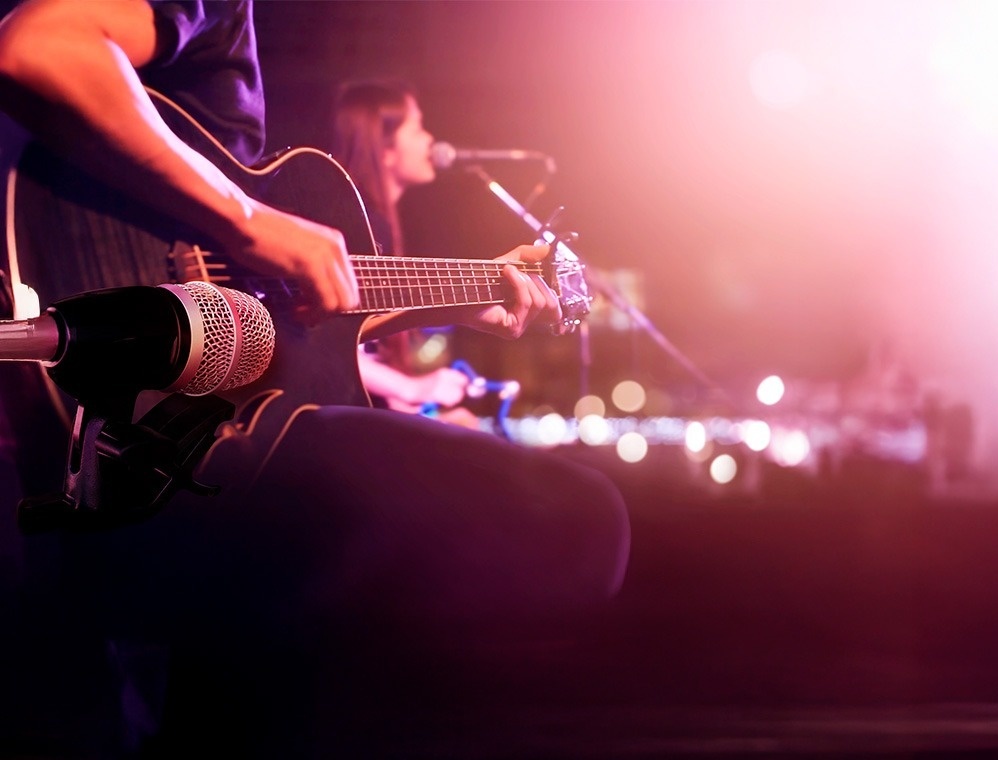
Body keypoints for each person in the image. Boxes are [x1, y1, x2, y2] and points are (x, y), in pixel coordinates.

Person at [0, 0, 630, 754]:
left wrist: (472, 291)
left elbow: (282, 314)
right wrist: (253, 220)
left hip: (151, 445)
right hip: (135, 411)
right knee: (577, 519)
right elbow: (38, 46)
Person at [333, 78, 478, 427]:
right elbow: (333, 345)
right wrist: (413, 389)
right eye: (417, 128)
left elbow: (364, 352)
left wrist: (419, 415)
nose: (430, 139)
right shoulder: (358, 224)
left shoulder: (373, 221)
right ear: (384, 150)